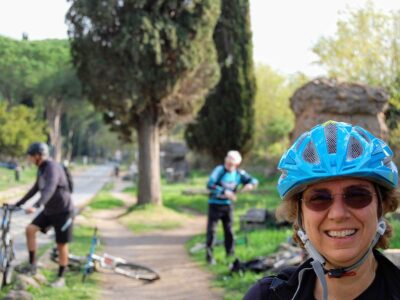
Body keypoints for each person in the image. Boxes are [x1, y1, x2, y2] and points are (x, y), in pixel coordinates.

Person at [244, 120, 400, 300]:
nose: (338, 214)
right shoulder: (267, 297)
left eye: (357, 196)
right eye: (319, 199)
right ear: (299, 214)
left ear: (382, 206)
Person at [14, 142, 75, 288]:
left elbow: (50, 187)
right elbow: (36, 188)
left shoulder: (53, 167)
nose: (29, 159)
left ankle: (61, 277)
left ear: (38, 156)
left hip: (64, 212)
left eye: (30, 156)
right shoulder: (41, 169)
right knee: (30, 230)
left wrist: (36, 206)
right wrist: (18, 204)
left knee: (61, 245)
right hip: (50, 211)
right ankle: (32, 265)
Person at [206, 150, 258, 265]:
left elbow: (253, 180)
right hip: (215, 204)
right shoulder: (219, 170)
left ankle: (230, 255)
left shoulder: (239, 174)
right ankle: (209, 257)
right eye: (228, 159)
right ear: (225, 160)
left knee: (229, 230)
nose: (229, 162)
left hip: (228, 206)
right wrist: (225, 191)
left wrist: (250, 185)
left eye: (232, 161)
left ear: (237, 163)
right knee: (212, 231)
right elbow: (210, 184)